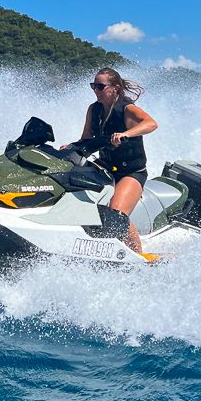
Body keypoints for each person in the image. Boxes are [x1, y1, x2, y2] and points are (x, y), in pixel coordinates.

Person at [71, 68, 159, 259]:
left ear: (115, 88)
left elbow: (151, 124)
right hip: (104, 169)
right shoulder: (94, 110)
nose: (96, 90)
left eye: (100, 86)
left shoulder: (127, 109)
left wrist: (126, 133)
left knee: (116, 215)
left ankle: (139, 257)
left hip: (131, 173)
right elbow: (86, 139)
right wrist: (70, 147)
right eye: (93, 86)